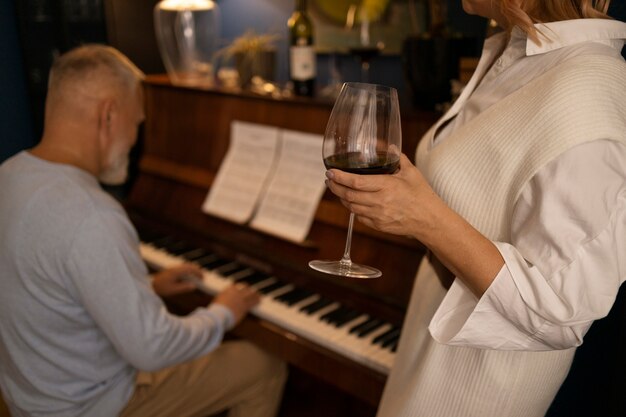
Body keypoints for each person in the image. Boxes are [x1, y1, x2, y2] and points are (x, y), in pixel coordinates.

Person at [325, 1, 626, 416]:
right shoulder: (516, 52)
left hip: (477, 384)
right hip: (424, 341)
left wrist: (422, 217)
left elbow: (560, 312)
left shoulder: (588, 85)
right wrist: (406, 200)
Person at [0, 44, 287, 417]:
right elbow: (152, 349)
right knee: (262, 366)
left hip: (30, 396)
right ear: (109, 115)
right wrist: (223, 313)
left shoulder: (9, 176)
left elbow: (41, 286)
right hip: (91, 406)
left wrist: (146, 289)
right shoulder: (91, 213)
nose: (136, 139)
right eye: (137, 123)